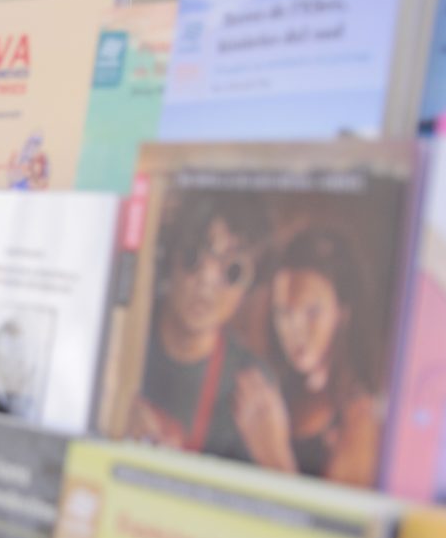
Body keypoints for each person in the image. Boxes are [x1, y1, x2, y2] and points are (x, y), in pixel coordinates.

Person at [127, 190, 292, 471]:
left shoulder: (251, 387)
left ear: (249, 288)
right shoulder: (126, 330)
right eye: (193, 256)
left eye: (232, 270)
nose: (206, 279)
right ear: (171, 257)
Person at [258, 228, 381, 486]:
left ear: (343, 312)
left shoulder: (360, 417)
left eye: (312, 311)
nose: (295, 329)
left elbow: (335, 521)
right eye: (283, 313)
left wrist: (274, 457)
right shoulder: (276, 389)